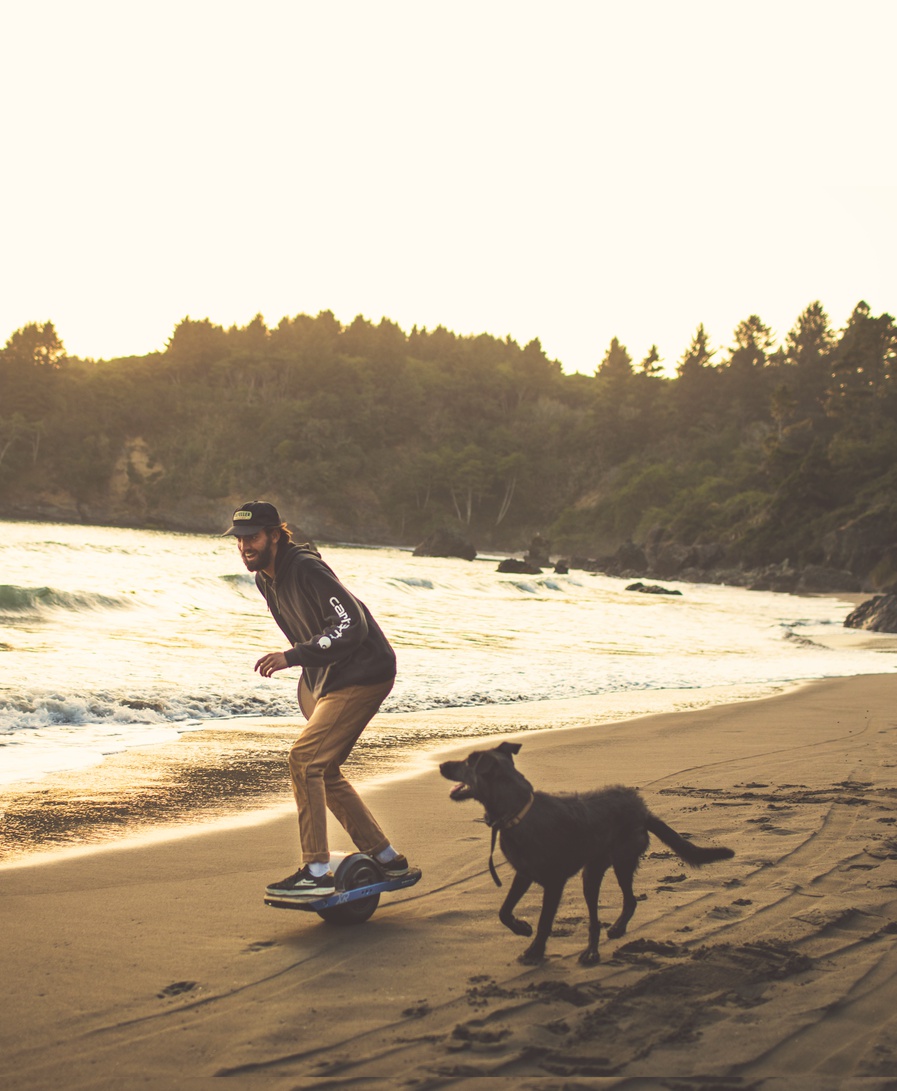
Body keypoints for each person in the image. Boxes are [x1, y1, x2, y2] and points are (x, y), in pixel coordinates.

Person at [225, 500, 407, 898]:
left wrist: (292, 658)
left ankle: (316, 868)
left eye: (252, 537)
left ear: (275, 534)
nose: (244, 547)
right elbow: (302, 629)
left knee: (303, 759)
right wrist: (310, 681)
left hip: (365, 671)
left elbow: (350, 624)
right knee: (322, 769)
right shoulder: (266, 580)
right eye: (239, 540)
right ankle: (387, 857)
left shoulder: (306, 567)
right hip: (332, 679)